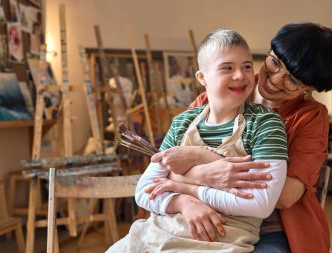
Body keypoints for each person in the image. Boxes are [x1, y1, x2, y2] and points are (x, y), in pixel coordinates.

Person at [153, 22, 332, 253]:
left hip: (273, 227)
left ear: (309, 89)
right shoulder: (213, 96)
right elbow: (162, 169)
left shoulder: (310, 116)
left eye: (292, 80)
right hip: (203, 213)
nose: (275, 80)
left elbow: (284, 196)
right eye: (274, 63)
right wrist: (191, 193)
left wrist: (199, 159)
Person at [107, 28, 288, 252]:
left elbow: (260, 204)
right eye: (227, 68)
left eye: (247, 66)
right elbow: (145, 189)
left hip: (219, 240)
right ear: (202, 78)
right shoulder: (183, 122)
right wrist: (184, 202)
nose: (240, 75)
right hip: (156, 232)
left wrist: (186, 188)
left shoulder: (265, 124)